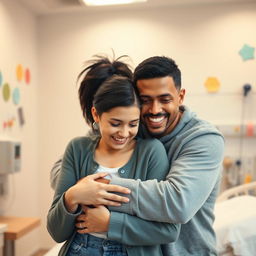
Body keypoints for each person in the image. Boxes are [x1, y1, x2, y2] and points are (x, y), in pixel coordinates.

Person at [51, 56, 224, 255]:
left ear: (181, 96)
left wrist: (97, 189)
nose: (155, 110)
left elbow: (178, 202)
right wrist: (74, 191)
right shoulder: (133, 128)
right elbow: (61, 169)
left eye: (165, 99)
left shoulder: (203, 139)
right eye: (145, 101)